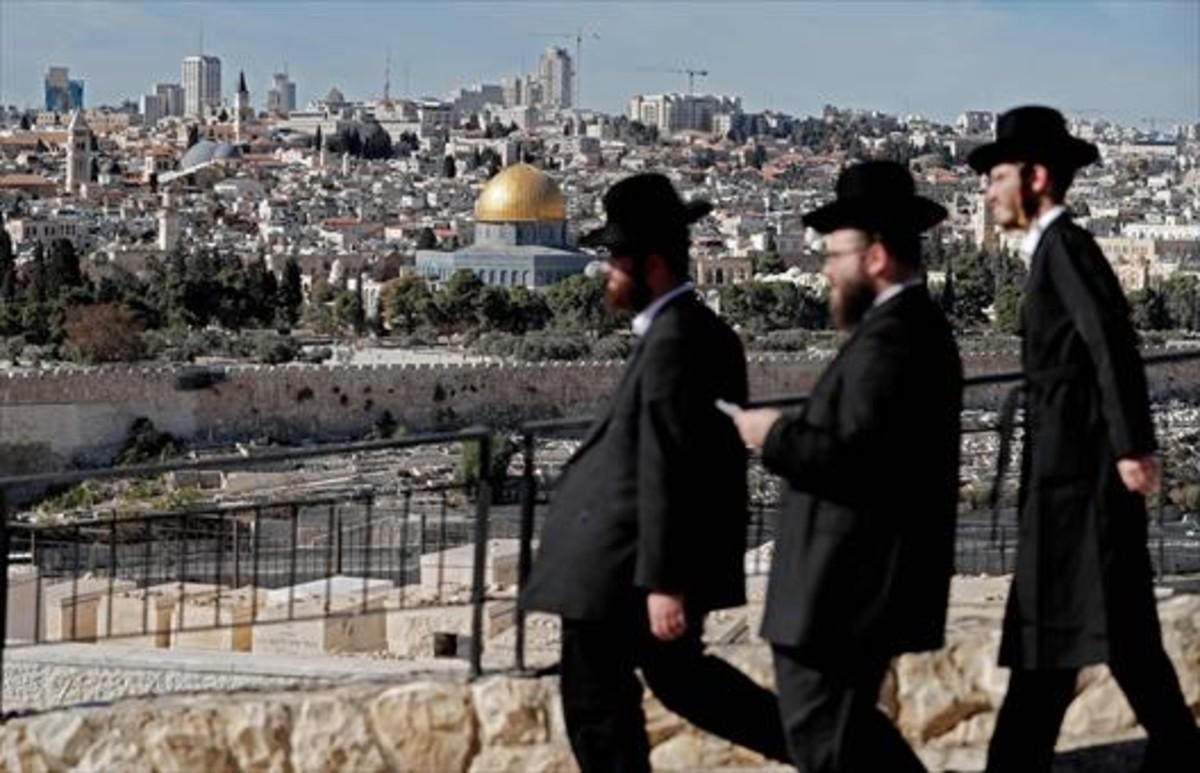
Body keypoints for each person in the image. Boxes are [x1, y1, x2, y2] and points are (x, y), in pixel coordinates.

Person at [519, 173, 789, 773]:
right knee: (676, 683)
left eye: (616, 258)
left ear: (654, 264)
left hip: (624, 569)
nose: (607, 271)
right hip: (629, 564)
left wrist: (667, 580)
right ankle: (830, 749)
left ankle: (835, 749)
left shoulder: (679, 339)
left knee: (600, 706)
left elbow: (674, 463)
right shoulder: (680, 331)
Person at [968, 105, 1200, 772]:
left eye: (998, 175)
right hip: (1072, 486)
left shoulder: (1065, 248)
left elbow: (1111, 342)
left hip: (1079, 490)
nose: (988, 190)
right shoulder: (1055, 251)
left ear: (1036, 176)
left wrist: (1133, 446)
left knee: (1057, 656)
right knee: (1119, 649)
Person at [733, 160, 962, 772]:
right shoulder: (904, 330)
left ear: (878, 256)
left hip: (844, 587)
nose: (827, 270)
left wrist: (773, 434)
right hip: (851, 585)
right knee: (846, 737)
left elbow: (858, 459)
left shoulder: (894, 339)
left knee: (828, 740)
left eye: (835, 255)